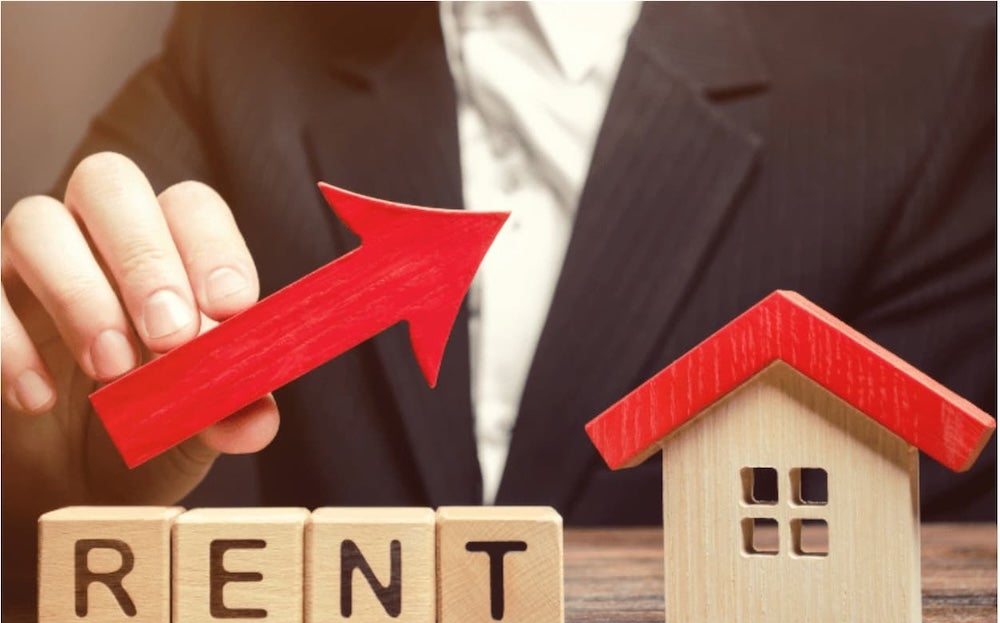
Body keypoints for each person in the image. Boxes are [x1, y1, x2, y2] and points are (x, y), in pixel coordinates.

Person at [2, 2, 995, 539]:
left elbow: (946, 570)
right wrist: (47, 468)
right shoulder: (236, 43)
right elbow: (66, 460)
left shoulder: (932, 78)